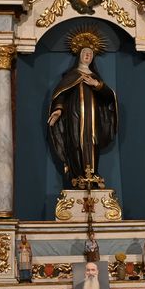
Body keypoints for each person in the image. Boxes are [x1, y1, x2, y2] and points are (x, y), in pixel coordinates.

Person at [46, 31, 117, 188]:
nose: (88, 56)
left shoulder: (95, 77)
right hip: (74, 116)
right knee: (76, 143)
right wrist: (58, 110)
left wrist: (96, 85)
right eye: (85, 53)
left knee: (92, 142)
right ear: (79, 55)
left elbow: (109, 97)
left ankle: (92, 175)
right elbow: (61, 94)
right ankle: (79, 177)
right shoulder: (71, 75)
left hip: (93, 118)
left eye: (90, 54)